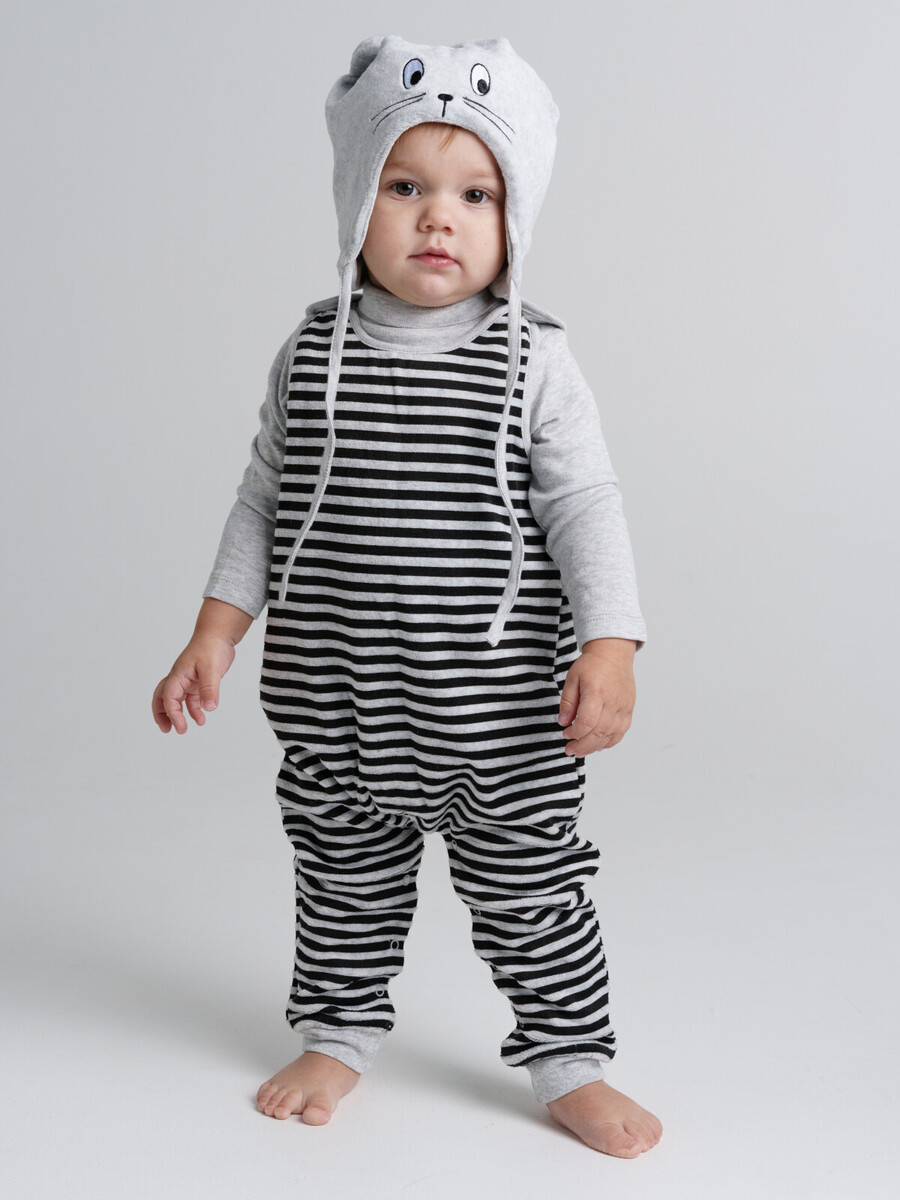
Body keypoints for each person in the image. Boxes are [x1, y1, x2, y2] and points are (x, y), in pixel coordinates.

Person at [151, 34, 662, 1158]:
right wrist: (214, 634)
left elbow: (587, 505)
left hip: (501, 719)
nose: (441, 219)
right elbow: (264, 496)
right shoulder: (312, 350)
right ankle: (336, 1035)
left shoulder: (533, 358)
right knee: (342, 882)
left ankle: (569, 1062)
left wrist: (611, 644)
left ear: (517, 214)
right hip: (339, 707)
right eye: (405, 187)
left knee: (533, 894)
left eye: (477, 194)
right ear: (355, 200)